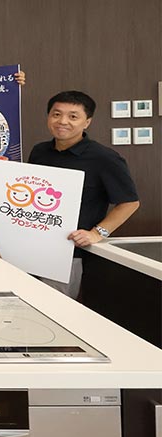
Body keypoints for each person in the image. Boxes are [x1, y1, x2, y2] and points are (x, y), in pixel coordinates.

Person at [28, 90, 140, 298]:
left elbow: (130, 202)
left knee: (55, 308)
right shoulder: (39, 151)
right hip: (30, 246)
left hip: (69, 252)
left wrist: (97, 233)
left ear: (87, 122)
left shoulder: (104, 158)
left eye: (73, 116)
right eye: (56, 114)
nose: (63, 121)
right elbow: (34, 194)